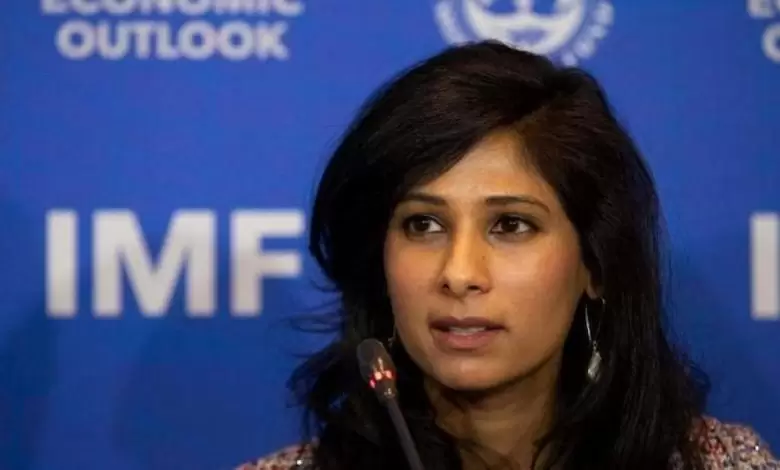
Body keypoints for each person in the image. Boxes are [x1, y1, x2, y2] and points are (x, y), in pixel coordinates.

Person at [236, 41, 778, 470]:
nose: (459, 274)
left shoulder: (717, 463)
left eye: (511, 225)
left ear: (595, 264)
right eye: (423, 224)